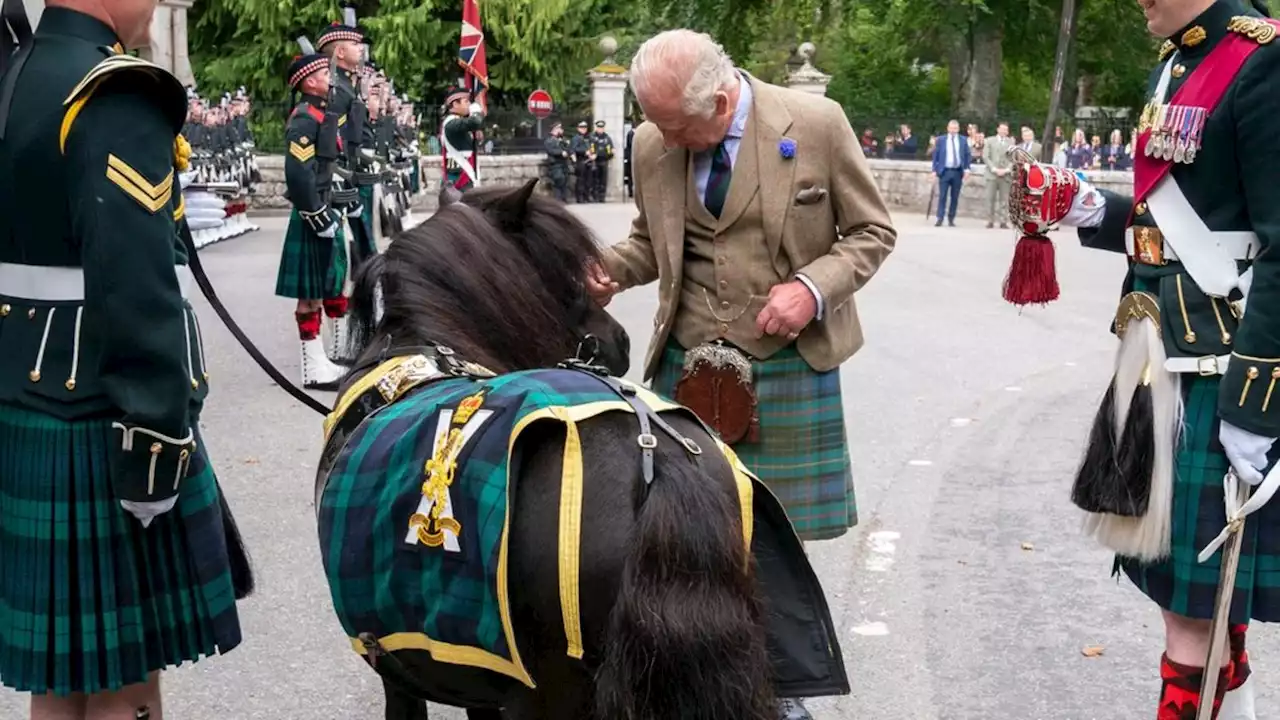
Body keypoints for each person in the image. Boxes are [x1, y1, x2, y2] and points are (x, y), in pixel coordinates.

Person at [584, 29, 897, 718]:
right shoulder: (651, 141)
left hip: (785, 368)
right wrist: (609, 269)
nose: (663, 138)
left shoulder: (815, 123)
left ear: (722, 100)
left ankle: (779, 694)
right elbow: (651, 237)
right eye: (655, 124)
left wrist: (812, 289)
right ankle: (682, 686)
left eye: (676, 126)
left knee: (768, 550)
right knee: (675, 539)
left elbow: (872, 232)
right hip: (683, 367)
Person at [1011, 0, 1278, 717]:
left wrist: (1256, 406)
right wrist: (1091, 209)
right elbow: (1183, 220)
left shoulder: (1263, 61)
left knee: (1193, 613)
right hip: (1159, 354)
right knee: (1192, 599)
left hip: (1222, 369)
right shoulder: (1178, 58)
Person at [0, 1, 245, 716]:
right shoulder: (112, 90)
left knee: (62, 680)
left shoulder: (17, 71)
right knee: (125, 679)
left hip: (23, 392)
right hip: (105, 410)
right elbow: (134, 284)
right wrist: (158, 434)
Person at [274, 51, 349, 390]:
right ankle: (313, 367)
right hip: (312, 211)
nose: (330, 78)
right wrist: (315, 214)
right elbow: (298, 173)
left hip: (323, 205)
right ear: (309, 81)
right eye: (323, 73)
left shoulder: (321, 112)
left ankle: (322, 360)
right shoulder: (305, 118)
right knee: (310, 294)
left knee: (324, 286)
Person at [440, 87, 484, 191]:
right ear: (455, 104)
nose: (469, 104)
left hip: (464, 174)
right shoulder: (451, 123)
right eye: (466, 101)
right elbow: (475, 122)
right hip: (458, 177)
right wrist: (476, 111)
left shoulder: (459, 121)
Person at [931, 119, 970, 226]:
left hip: (957, 171)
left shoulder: (963, 140)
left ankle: (951, 218)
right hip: (945, 171)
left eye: (955, 128)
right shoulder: (941, 140)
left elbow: (967, 155)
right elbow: (936, 156)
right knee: (942, 195)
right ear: (948, 128)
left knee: (955, 196)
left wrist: (967, 169)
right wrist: (934, 170)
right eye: (951, 128)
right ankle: (940, 217)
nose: (953, 130)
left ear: (958, 129)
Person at [983, 121, 1015, 229]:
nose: (1003, 131)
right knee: (989, 198)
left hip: (1005, 175)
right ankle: (989, 220)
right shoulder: (989, 141)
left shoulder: (1011, 143)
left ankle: (1003, 221)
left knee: (1004, 199)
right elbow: (986, 156)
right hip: (992, 174)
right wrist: (993, 168)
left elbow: (1013, 158)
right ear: (997, 129)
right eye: (1002, 129)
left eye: (1005, 130)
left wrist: (1007, 169)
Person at [544, 121, 571, 202]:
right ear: (554, 129)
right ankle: (558, 200)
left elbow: (569, 149)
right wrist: (561, 152)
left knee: (565, 181)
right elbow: (551, 150)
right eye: (559, 128)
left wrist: (567, 148)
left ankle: (564, 199)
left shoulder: (563, 140)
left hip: (563, 164)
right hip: (555, 164)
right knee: (559, 180)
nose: (561, 130)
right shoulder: (549, 140)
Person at [590, 119, 615, 202]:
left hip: (604, 161)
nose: (600, 129)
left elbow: (611, 150)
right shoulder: (592, 137)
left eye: (602, 128)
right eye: (599, 128)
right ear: (596, 128)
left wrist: (612, 152)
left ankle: (602, 197)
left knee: (603, 180)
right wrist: (591, 154)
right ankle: (595, 197)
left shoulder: (607, 138)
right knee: (595, 180)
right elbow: (589, 148)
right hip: (595, 162)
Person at [570, 119, 594, 203]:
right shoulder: (575, 138)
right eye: (581, 127)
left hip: (589, 161)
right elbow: (573, 149)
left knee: (588, 180)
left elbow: (592, 147)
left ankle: (586, 196)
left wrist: (593, 154)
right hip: (581, 161)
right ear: (578, 128)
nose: (583, 129)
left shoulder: (589, 138)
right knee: (580, 180)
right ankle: (579, 197)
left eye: (585, 127)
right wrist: (584, 152)